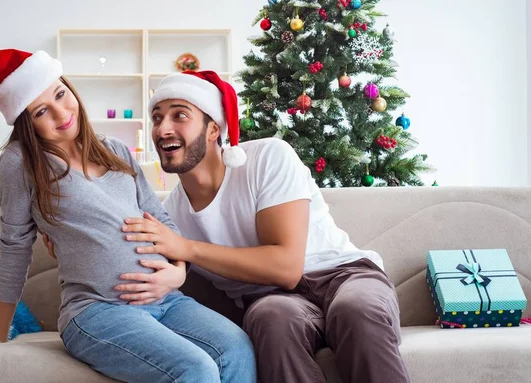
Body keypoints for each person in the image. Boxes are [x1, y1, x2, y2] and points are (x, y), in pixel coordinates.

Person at [0, 49, 257, 383]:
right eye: (42, 111)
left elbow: (162, 220)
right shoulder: (21, 163)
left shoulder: (115, 149)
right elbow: (15, 246)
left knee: (237, 348)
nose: (61, 113)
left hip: (168, 300)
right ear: (27, 122)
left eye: (60, 94)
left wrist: (177, 274)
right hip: (97, 310)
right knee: (194, 368)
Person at [111, 71, 410, 383]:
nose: (163, 128)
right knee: (271, 319)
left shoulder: (268, 158)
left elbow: (286, 267)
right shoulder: (169, 214)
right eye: (157, 118)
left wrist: (187, 250)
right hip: (272, 301)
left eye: (180, 115)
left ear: (214, 129)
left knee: (357, 310)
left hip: (342, 275)